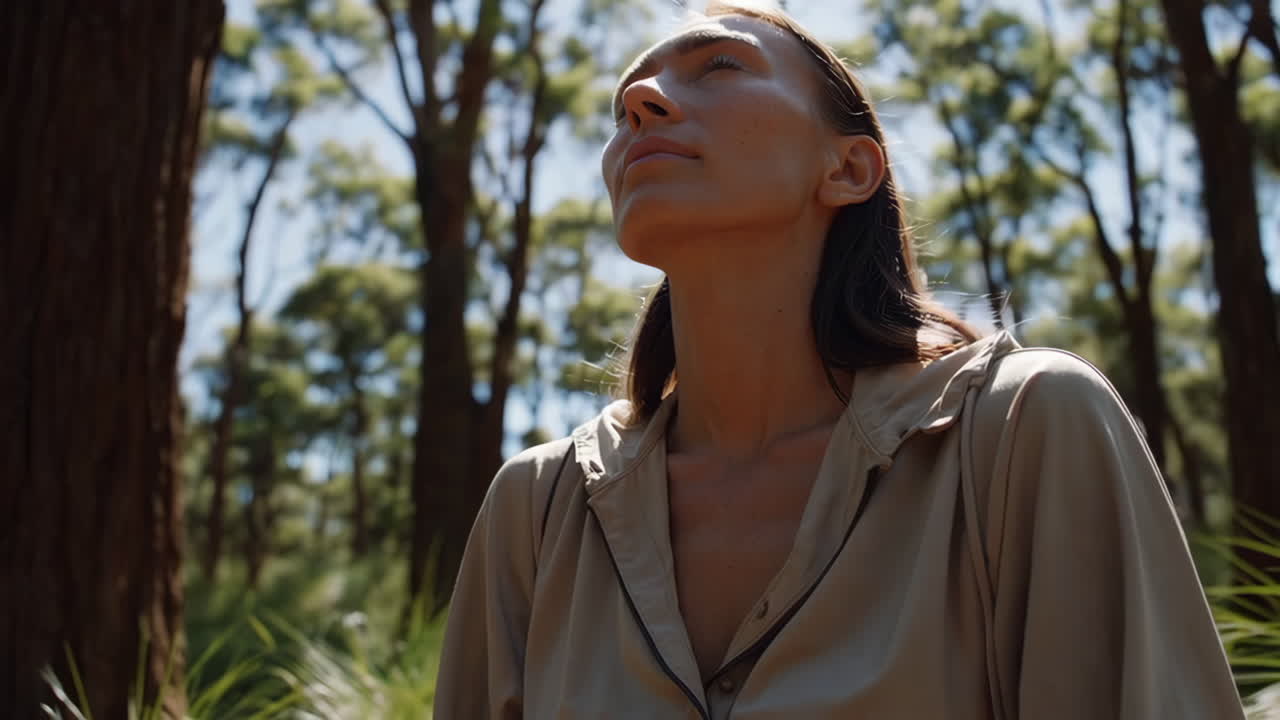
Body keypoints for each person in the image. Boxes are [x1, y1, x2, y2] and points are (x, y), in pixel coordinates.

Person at [434, 2, 1246, 718]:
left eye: (720, 66)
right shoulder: (536, 512)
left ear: (849, 168)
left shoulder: (1024, 430)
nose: (639, 104)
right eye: (624, 106)